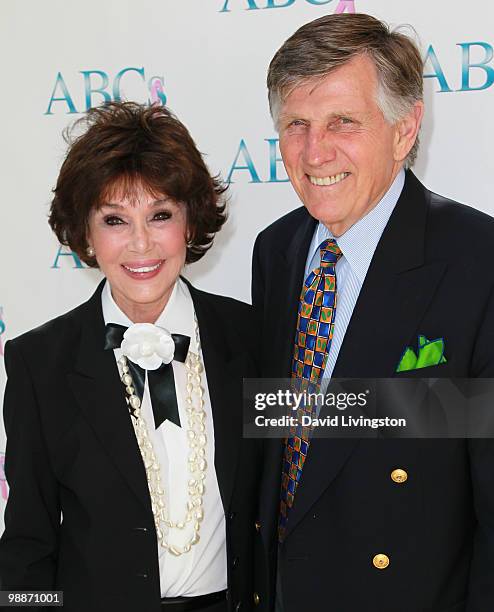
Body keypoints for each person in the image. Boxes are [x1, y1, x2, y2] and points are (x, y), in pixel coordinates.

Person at [252, 13, 494, 612]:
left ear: (405, 128)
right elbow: (282, 447)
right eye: (296, 125)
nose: (314, 151)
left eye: (343, 123)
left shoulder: (477, 259)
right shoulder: (275, 251)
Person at [0, 101, 262, 612]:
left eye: (160, 215)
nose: (141, 244)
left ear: (190, 222)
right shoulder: (40, 363)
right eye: (115, 220)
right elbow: (28, 544)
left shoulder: (253, 337)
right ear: (86, 236)